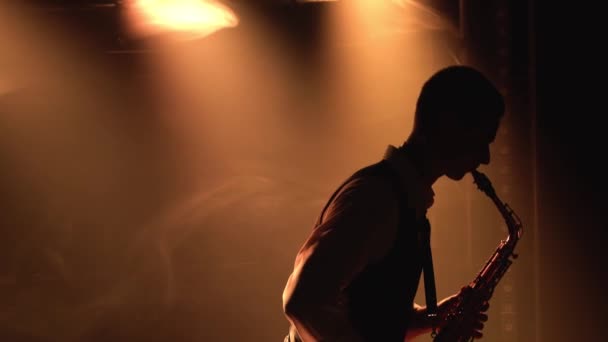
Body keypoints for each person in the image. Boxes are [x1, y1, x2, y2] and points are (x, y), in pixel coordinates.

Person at [281, 65, 505, 341]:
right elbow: (304, 302)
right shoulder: (375, 199)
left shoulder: (405, 203)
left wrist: (423, 319)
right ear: (449, 123)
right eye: (483, 138)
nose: (486, 157)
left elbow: (365, 317)